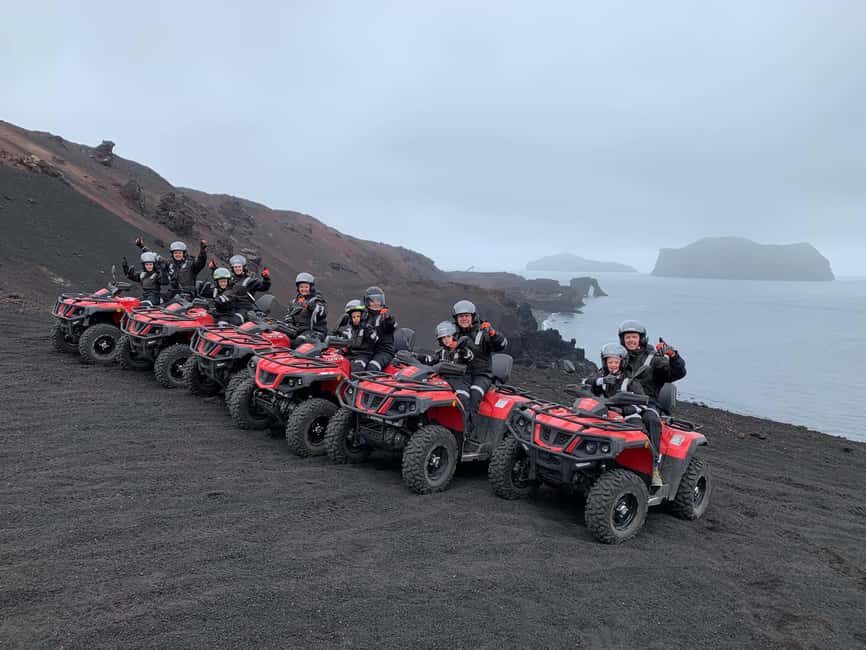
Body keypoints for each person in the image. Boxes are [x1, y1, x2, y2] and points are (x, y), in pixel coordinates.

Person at [618, 320, 687, 487]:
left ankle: (653, 464)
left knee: (651, 421)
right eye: (627, 337)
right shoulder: (618, 357)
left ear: (641, 339)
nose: (631, 341)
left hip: (648, 402)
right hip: (619, 400)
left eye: (634, 337)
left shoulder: (654, 359)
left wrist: (672, 355)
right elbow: (605, 372)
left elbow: (677, 373)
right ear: (622, 340)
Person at [452, 299, 508, 428]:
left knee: (474, 394)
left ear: (473, 317)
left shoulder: (484, 331)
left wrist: (494, 335)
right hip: (460, 373)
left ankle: (469, 430)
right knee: (454, 393)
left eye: (467, 316)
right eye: (461, 316)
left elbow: (501, 345)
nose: (464, 319)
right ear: (456, 319)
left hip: (481, 374)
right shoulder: (454, 333)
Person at [136, 237, 208, 300]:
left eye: (179, 253)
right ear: (172, 254)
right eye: (175, 253)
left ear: (184, 253)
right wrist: (142, 247)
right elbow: (155, 256)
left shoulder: (191, 264)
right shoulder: (169, 263)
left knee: (172, 307)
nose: (177, 254)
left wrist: (203, 251)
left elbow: (201, 262)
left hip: (187, 294)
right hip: (173, 293)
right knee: (156, 299)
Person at [358, 286, 397, 372]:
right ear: (367, 302)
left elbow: (391, 326)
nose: (376, 303)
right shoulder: (363, 316)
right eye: (372, 300)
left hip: (384, 351)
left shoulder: (385, 315)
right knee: (357, 366)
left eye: (378, 300)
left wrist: (389, 321)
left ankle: (367, 384)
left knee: (372, 367)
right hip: (367, 351)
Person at [283, 272, 328, 342]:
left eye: (306, 287)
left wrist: (309, 306)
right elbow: (288, 315)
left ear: (311, 287)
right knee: (282, 338)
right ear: (298, 288)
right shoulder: (294, 302)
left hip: (314, 331)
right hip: (298, 330)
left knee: (299, 341)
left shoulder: (317, 299)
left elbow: (322, 312)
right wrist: (289, 323)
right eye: (301, 287)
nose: (304, 289)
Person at [333, 300, 374, 372]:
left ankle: (355, 382)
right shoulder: (349, 330)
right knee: (337, 363)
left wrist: (368, 331)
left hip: (363, 355)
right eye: (354, 317)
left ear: (362, 316)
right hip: (351, 355)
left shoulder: (367, 328)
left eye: (358, 316)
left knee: (356, 367)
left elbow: (372, 341)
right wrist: (341, 350)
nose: (356, 319)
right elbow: (345, 344)